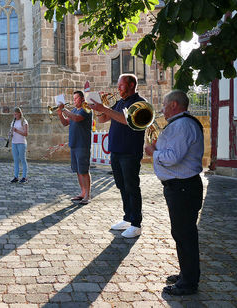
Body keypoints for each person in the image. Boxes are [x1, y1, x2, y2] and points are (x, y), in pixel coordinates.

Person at [145, 90, 204, 296]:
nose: (161, 109)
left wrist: (154, 152)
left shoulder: (182, 125)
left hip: (183, 187)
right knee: (182, 233)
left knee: (184, 234)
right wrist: (157, 146)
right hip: (182, 187)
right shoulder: (181, 124)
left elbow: (173, 157)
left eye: (164, 104)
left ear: (174, 105)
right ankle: (187, 273)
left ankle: (188, 283)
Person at [90, 74, 145, 238]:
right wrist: (98, 108)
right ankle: (127, 218)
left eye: (121, 85)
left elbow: (127, 119)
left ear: (131, 84)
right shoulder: (120, 102)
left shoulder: (139, 103)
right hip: (116, 150)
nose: (118, 88)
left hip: (130, 151)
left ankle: (136, 224)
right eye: (118, 85)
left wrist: (104, 108)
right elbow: (103, 120)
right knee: (122, 186)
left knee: (132, 187)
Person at [57, 91, 92, 205]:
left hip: (82, 144)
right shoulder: (73, 110)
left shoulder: (85, 109)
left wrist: (64, 110)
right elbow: (65, 123)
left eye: (76, 98)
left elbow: (76, 118)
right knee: (78, 170)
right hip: (74, 144)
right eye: (73, 98)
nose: (74, 100)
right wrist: (60, 114)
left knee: (84, 170)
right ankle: (82, 193)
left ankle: (87, 195)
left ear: (82, 99)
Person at [9, 107, 29, 183]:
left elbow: (26, 133)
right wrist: (10, 133)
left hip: (21, 143)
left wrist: (16, 131)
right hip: (14, 142)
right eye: (14, 114)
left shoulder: (24, 121)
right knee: (16, 160)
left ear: (19, 113)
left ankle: (24, 177)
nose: (15, 115)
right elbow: (12, 132)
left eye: (16, 114)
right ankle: (16, 176)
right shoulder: (13, 122)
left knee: (23, 160)